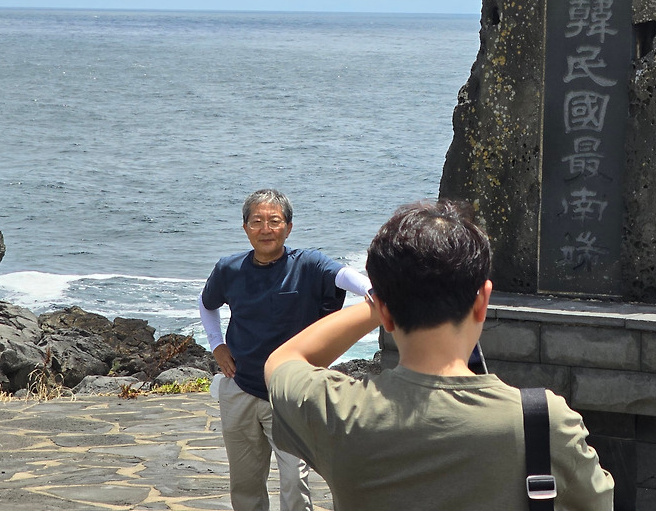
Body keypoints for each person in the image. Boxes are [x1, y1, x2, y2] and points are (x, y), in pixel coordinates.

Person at [263, 199, 615, 511]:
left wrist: (379, 304)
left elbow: (283, 360)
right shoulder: (543, 421)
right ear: (482, 301)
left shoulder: (337, 410)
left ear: (385, 312)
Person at [199, 188, 371, 511]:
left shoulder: (306, 264)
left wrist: (370, 290)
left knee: (295, 481)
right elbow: (207, 303)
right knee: (245, 484)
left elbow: (342, 275)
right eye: (257, 221)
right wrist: (217, 345)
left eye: (274, 221)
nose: (266, 229)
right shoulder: (229, 269)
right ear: (245, 227)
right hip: (241, 387)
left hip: (290, 393)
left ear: (288, 228)